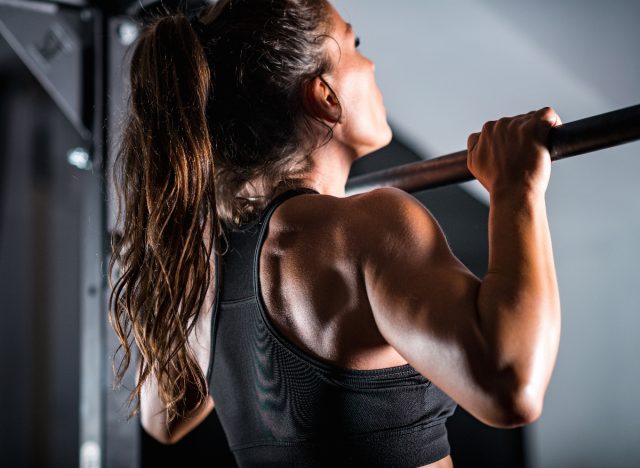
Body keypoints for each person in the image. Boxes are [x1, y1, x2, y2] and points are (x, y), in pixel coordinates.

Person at [108, 0, 561, 466]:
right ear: (325, 95)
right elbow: (512, 387)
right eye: (354, 43)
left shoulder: (206, 266)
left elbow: (163, 418)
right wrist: (515, 187)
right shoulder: (367, 227)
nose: (372, 62)